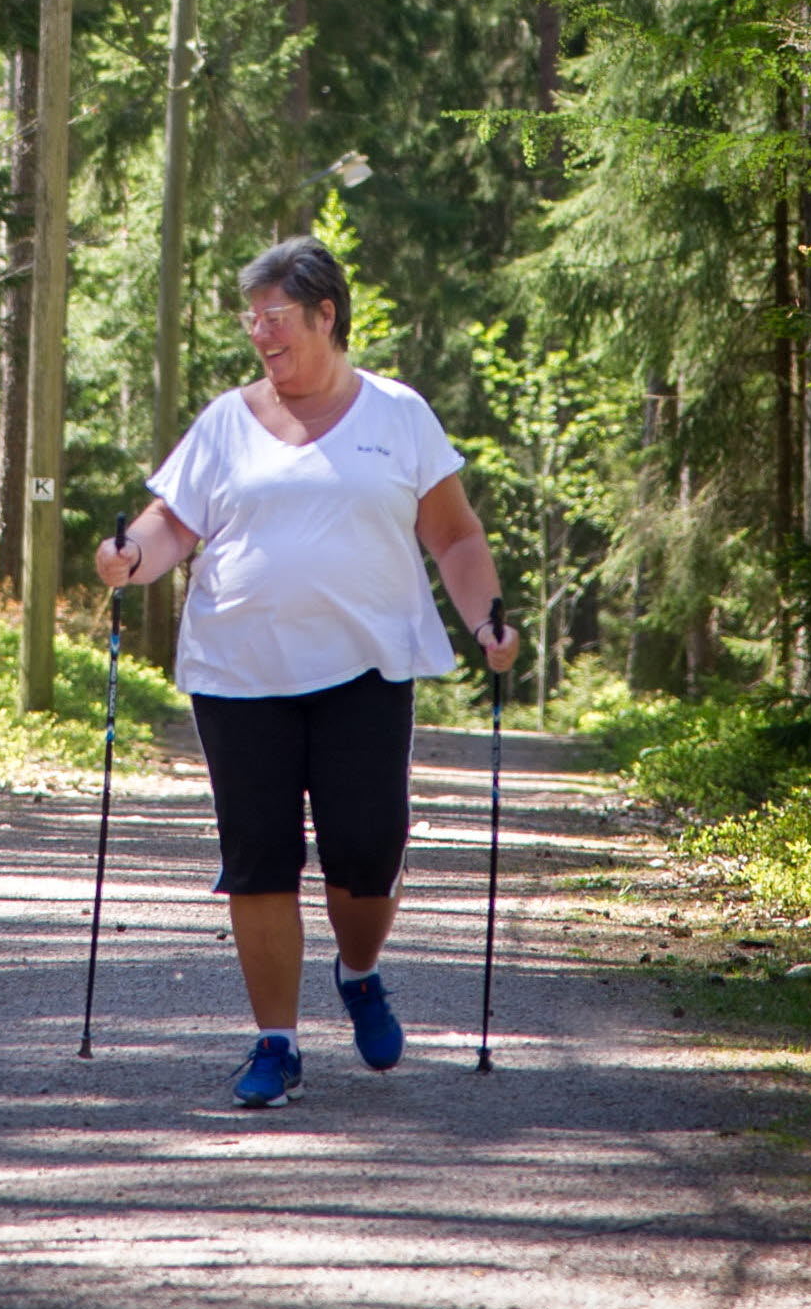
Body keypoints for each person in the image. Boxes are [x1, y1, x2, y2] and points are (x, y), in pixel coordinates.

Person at [96, 233, 519, 1108]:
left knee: (367, 852)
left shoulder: (398, 415)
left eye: (276, 316)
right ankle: (276, 1042)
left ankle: (358, 971)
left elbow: (454, 534)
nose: (261, 333)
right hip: (238, 669)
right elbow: (174, 524)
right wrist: (131, 556)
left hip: (363, 670)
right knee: (259, 858)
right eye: (252, 318)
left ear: (327, 316)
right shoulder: (225, 421)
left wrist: (485, 619)